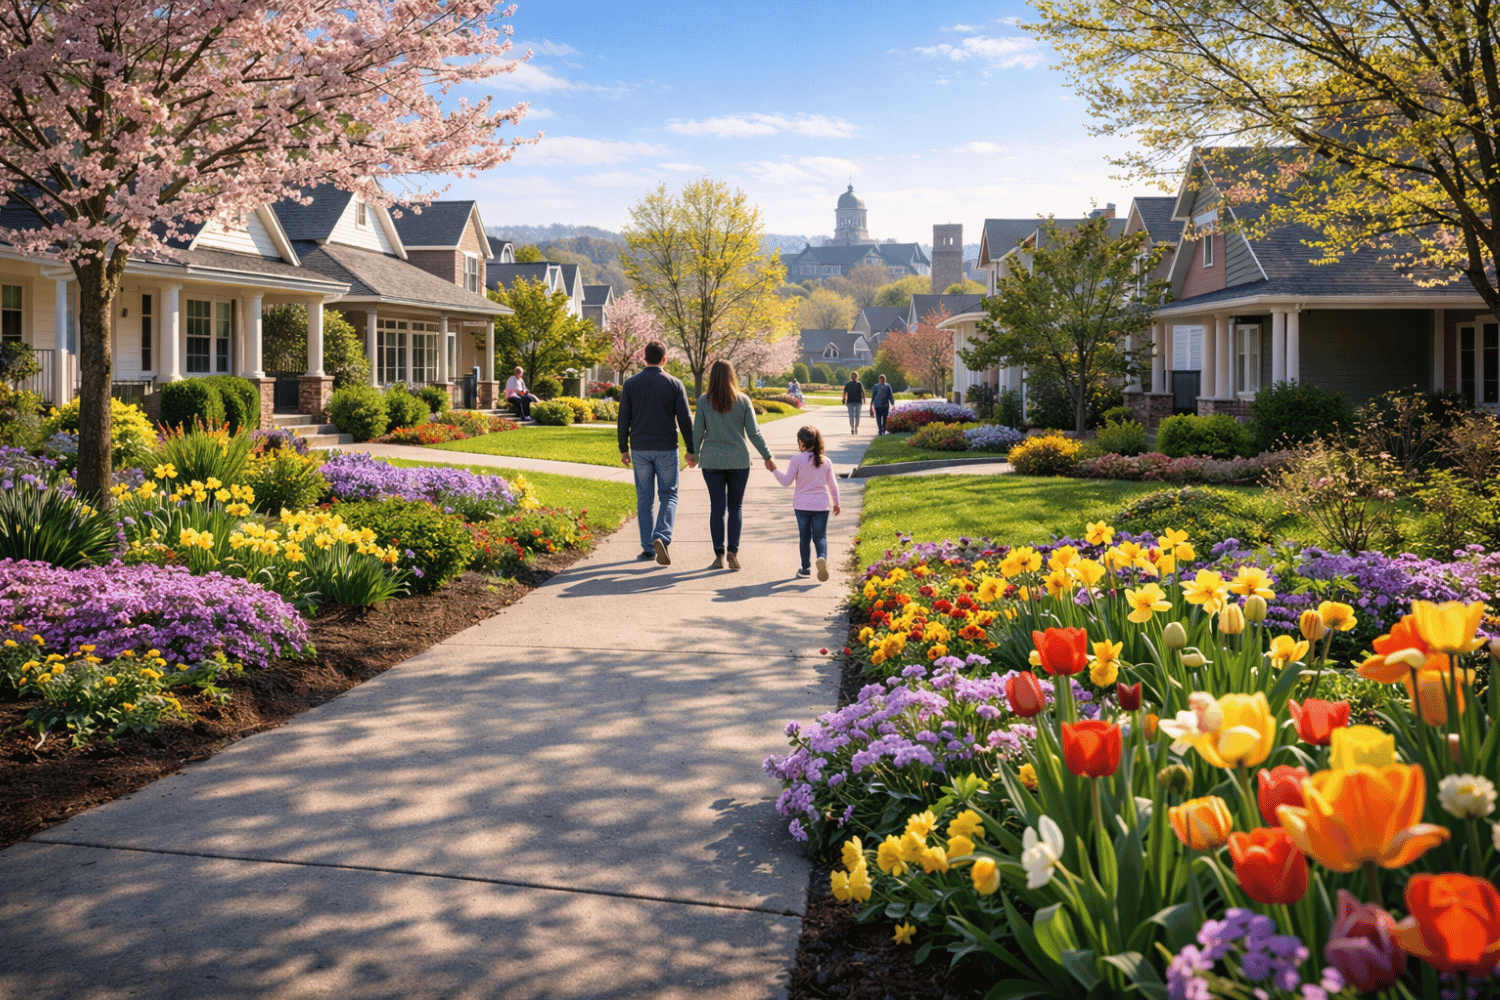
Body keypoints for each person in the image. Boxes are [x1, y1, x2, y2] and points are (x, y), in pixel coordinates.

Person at [693, 360, 777, 570]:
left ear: (711, 377)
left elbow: (698, 432)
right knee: (735, 507)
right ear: (732, 376)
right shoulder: (742, 400)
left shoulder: (704, 401)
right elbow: (754, 433)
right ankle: (733, 551)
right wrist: (767, 456)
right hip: (739, 460)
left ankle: (719, 555)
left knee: (717, 509)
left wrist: (693, 455)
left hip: (712, 460)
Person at [618, 342, 695, 565]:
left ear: (644, 358)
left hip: (640, 447)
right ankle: (661, 536)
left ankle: (647, 548)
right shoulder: (674, 384)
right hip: (666, 448)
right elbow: (685, 420)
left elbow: (623, 418)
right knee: (669, 494)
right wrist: (691, 449)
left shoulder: (631, 384)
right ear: (665, 358)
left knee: (644, 499)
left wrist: (623, 447)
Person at [772, 425, 840, 581]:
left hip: (801, 506)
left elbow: (786, 481)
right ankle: (822, 557)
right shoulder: (826, 461)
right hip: (821, 506)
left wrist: (774, 470)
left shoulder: (796, 459)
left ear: (800, 442)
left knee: (804, 537)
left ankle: (805, 568)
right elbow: (832, 485)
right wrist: (836, 503)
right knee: (820, 537)